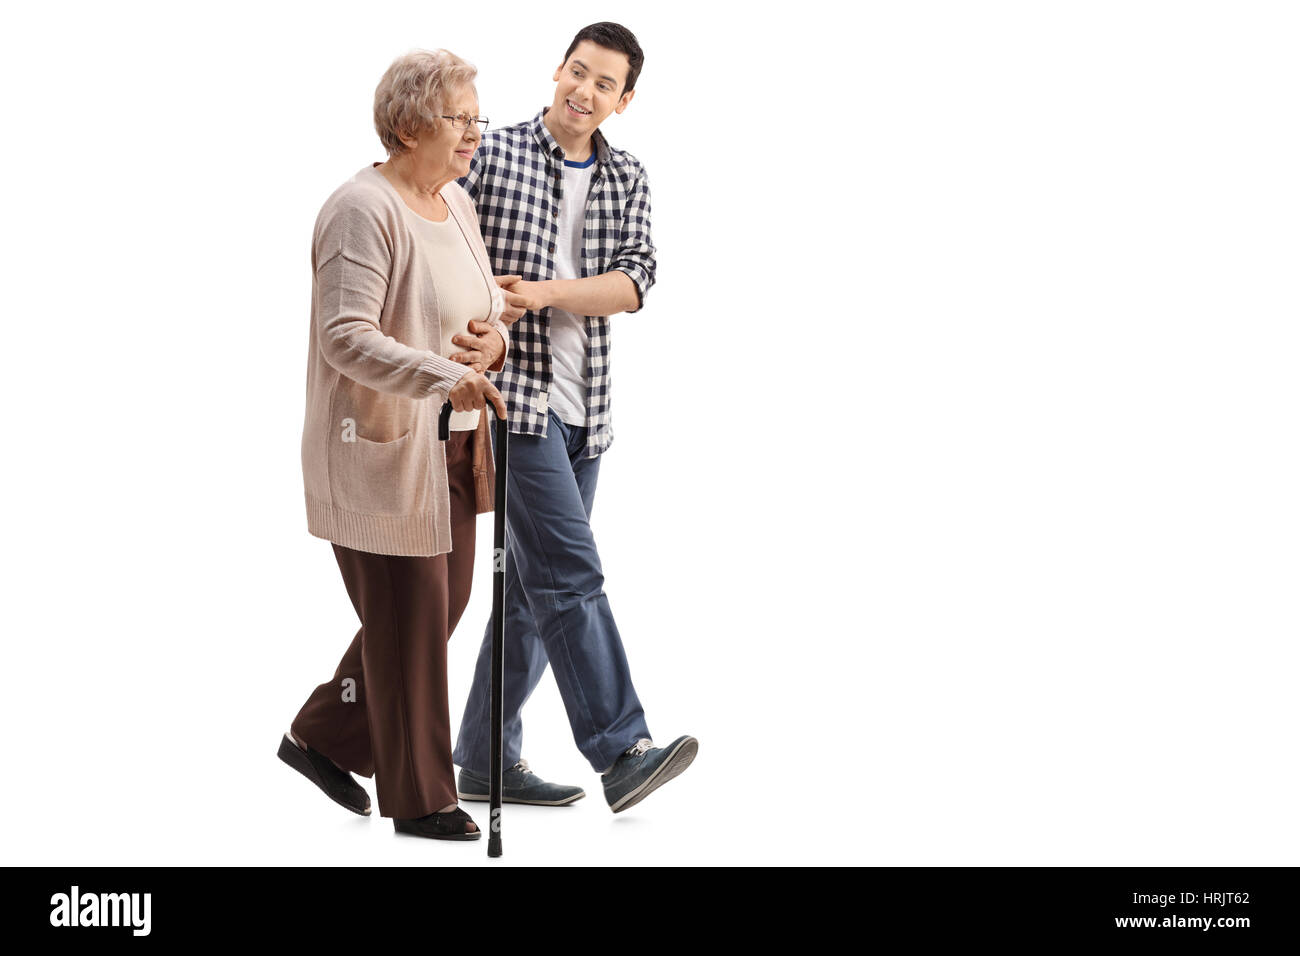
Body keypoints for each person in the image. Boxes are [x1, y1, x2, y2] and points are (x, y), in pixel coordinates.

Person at [278, 49, 530, 841]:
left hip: (454, 445)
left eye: (477, 119)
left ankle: (324, 734)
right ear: (411, 122)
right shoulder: (362, 208)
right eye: (461, 119)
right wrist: (438, 376)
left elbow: (485, 303)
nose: (475, 135)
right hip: (383, 447)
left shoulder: (452, 202)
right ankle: (422, 798)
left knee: (434, 609)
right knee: (413, 617)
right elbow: (345, 336)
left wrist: (491, 342)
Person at [452, 22, 697, 813]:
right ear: (557, 69)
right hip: (510, 401)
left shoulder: (627, 176)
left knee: (530, 591)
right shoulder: (495, 152)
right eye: (576, 72)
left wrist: (548, 292)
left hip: (585, 408)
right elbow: (446, 245)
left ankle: (486, 758)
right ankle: (623, 749)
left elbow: (633, 283)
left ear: (624, 102)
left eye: (603, 84)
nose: (582, 92)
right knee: (572, 577)